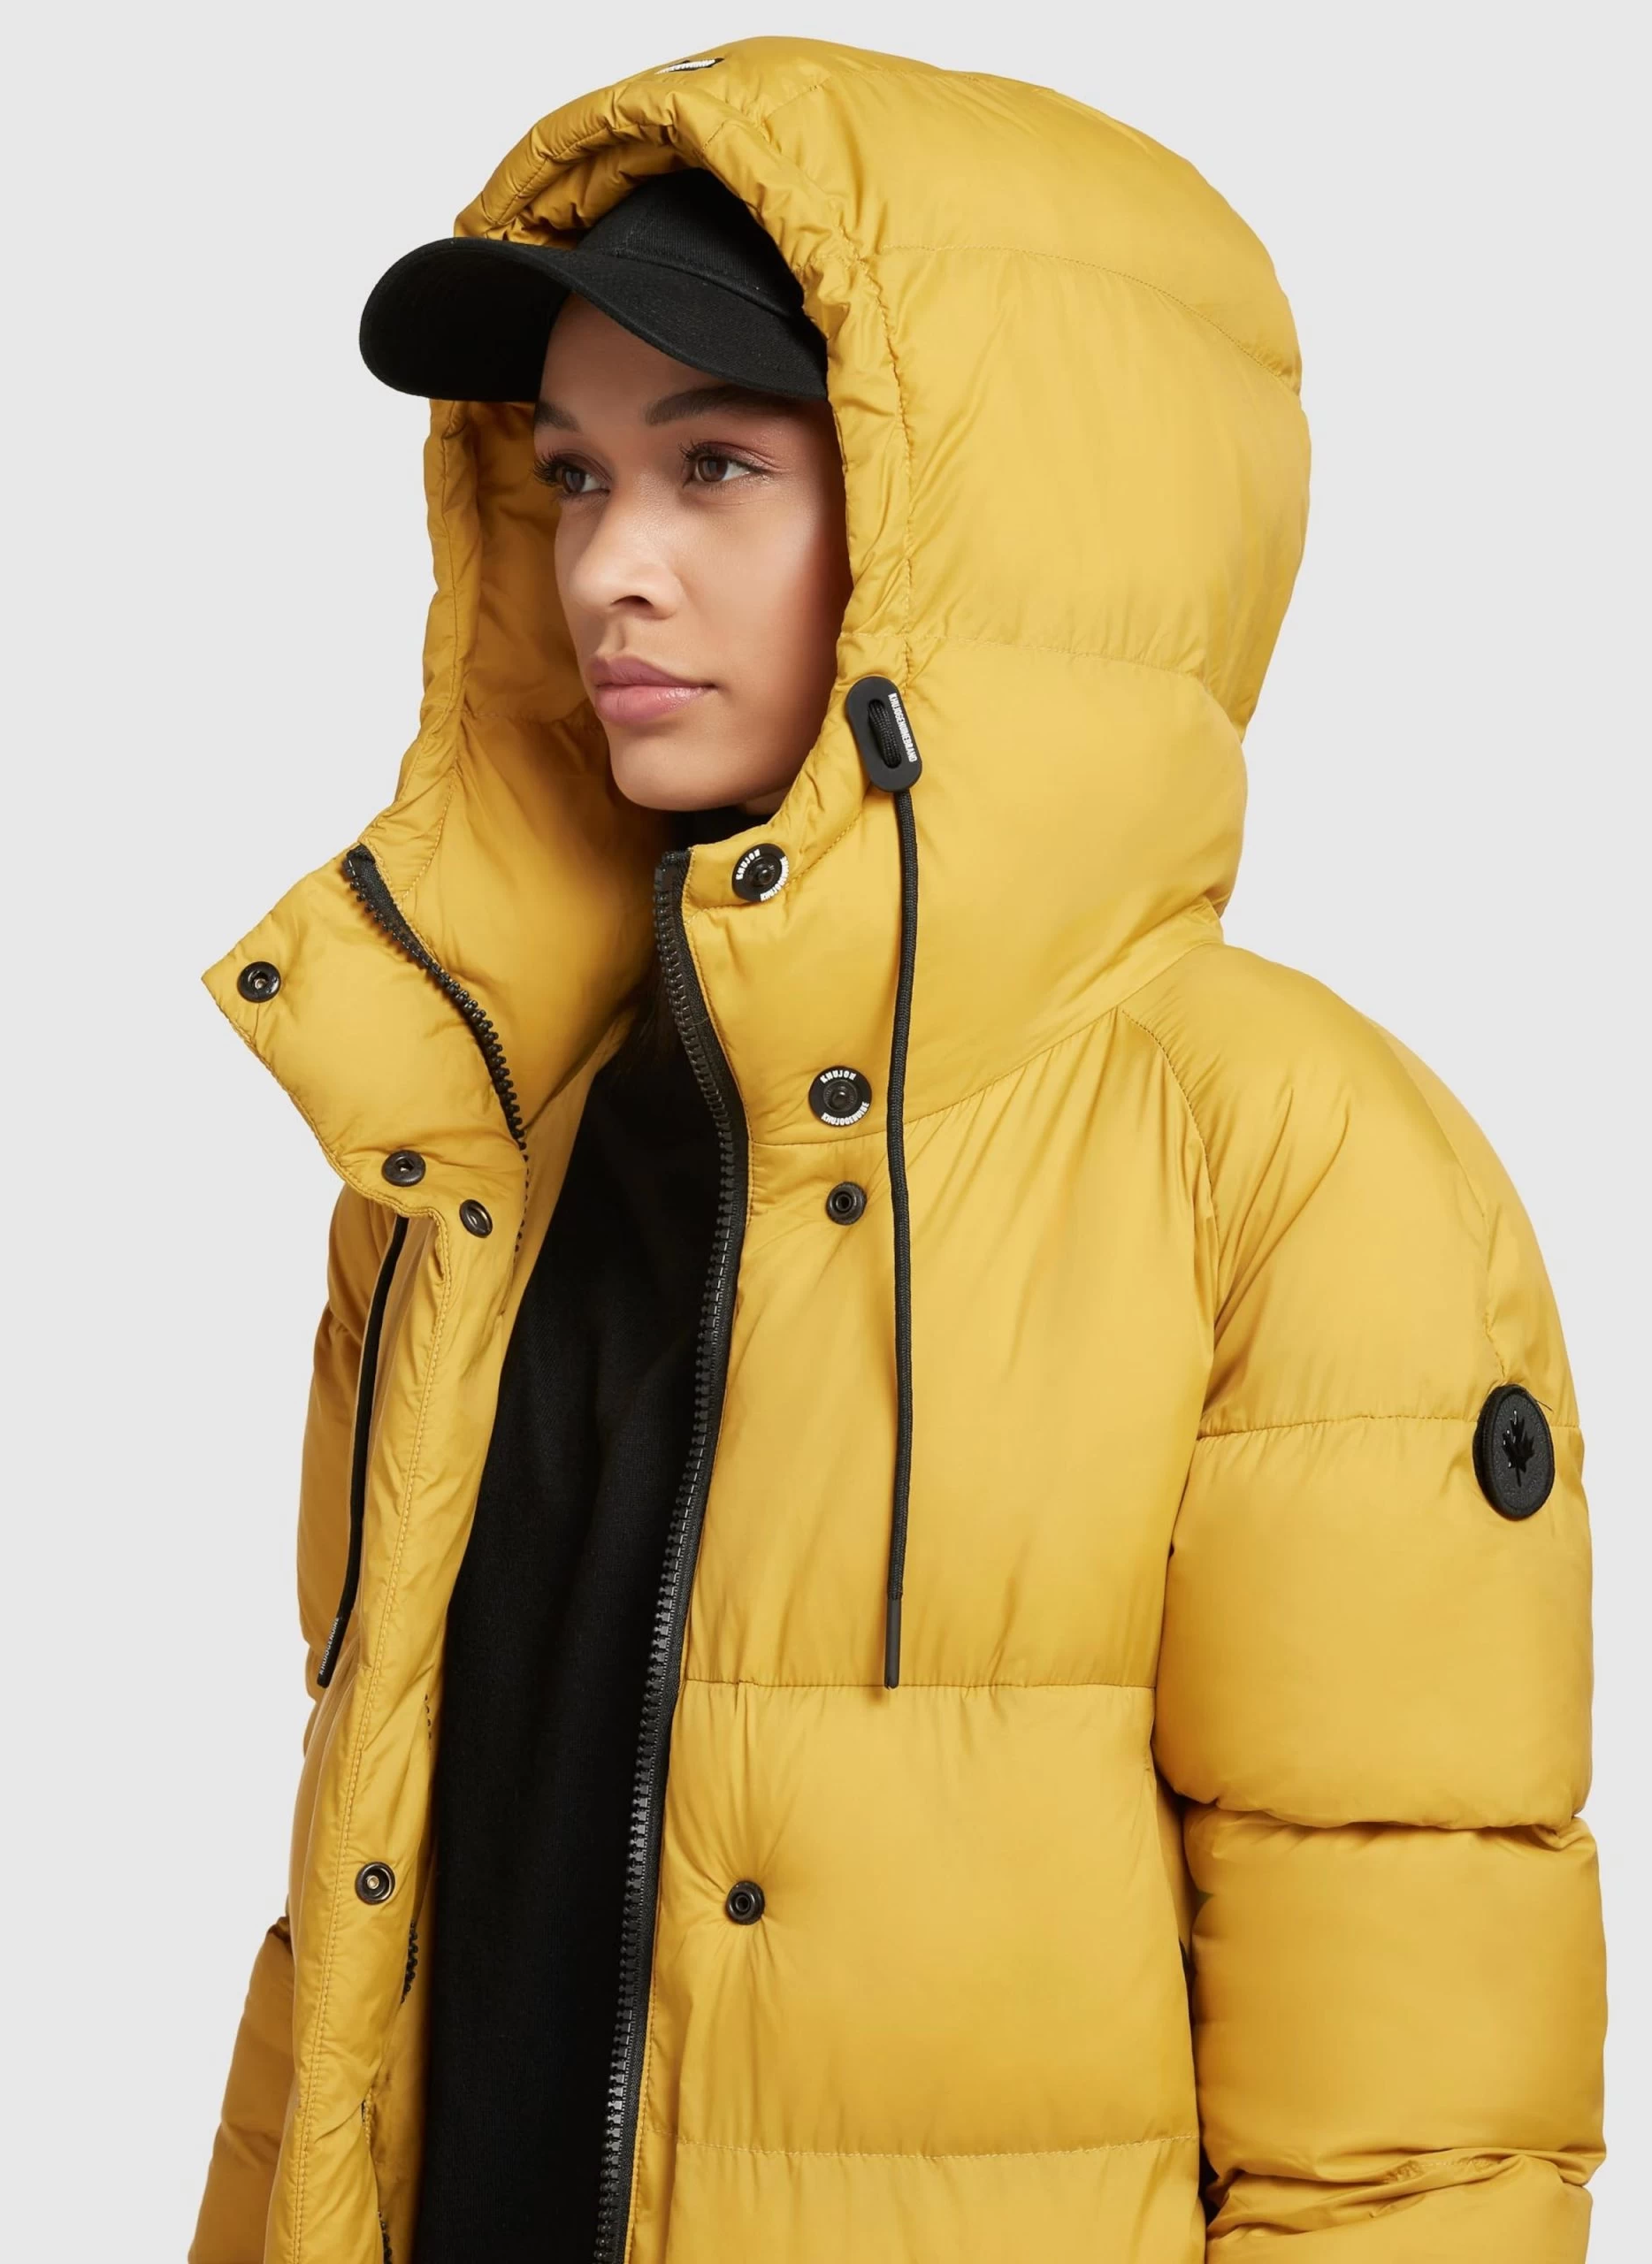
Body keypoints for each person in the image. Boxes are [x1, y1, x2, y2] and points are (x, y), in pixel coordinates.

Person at [190, 38, 1606, 2264]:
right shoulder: (468, 1146)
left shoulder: (1289, 1162)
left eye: (717, 465)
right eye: (572, 476)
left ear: (993, 523)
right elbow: (359, 1935)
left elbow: (1415, 2134)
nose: (612, 567)